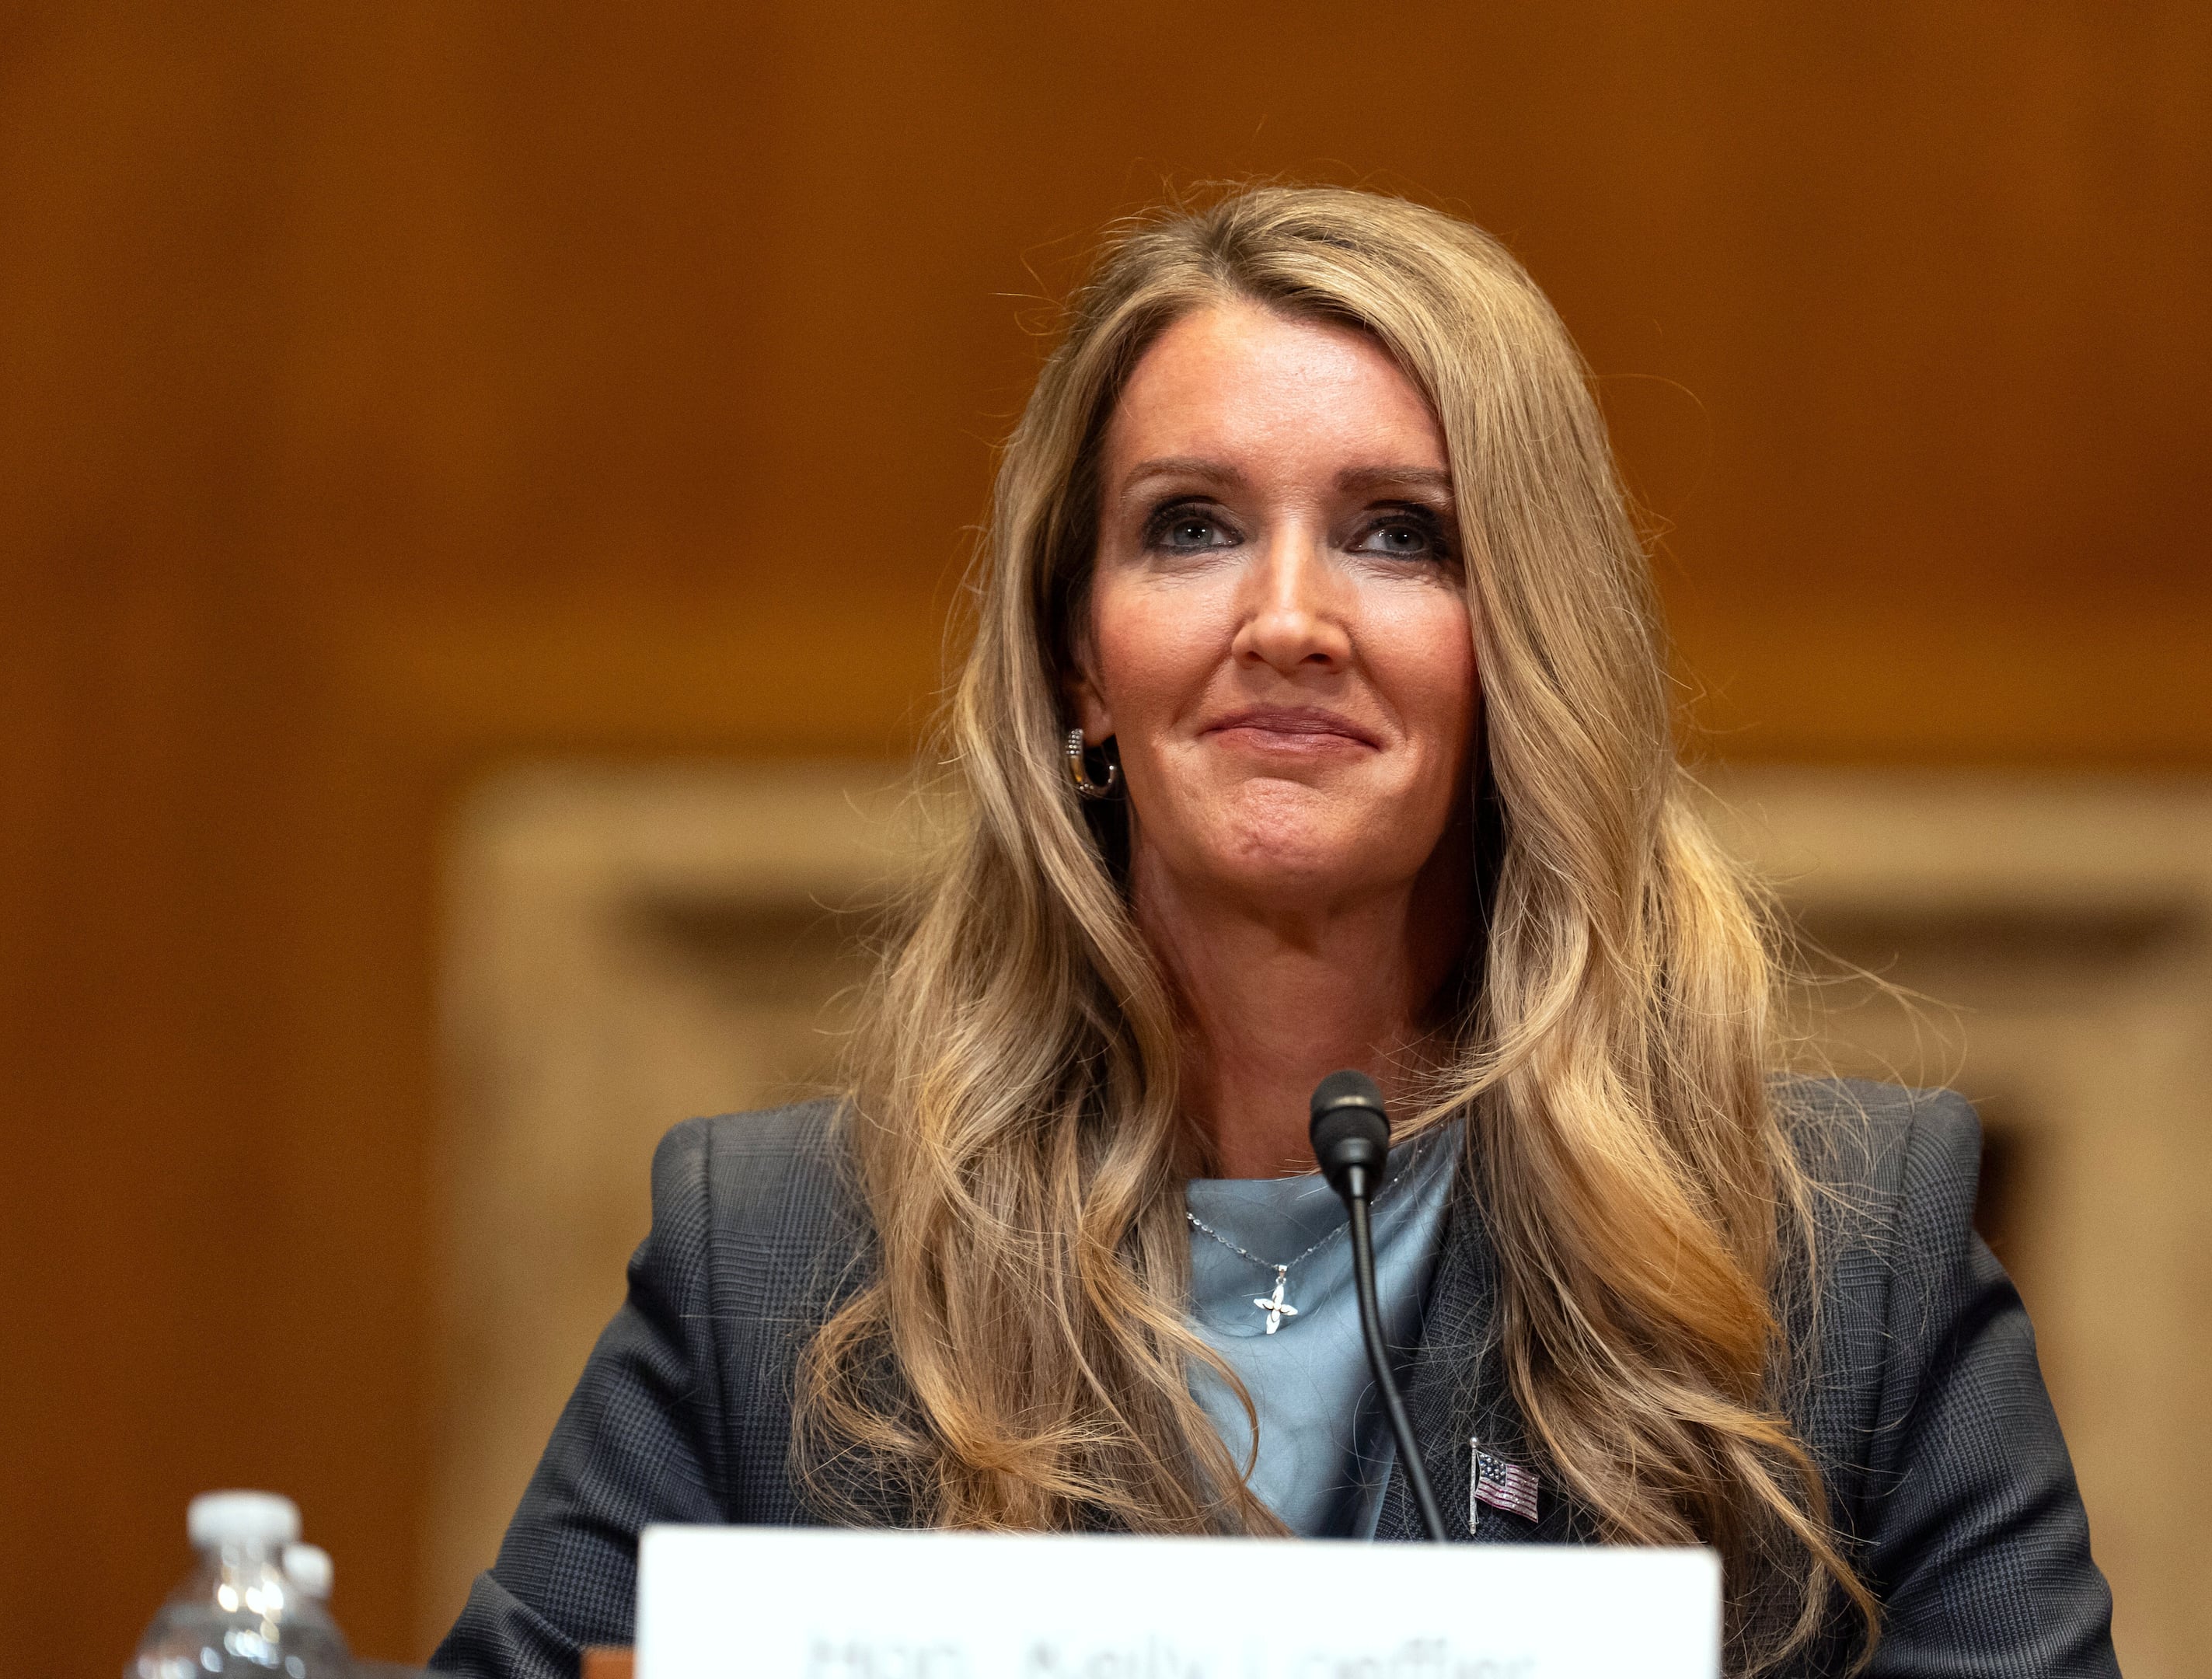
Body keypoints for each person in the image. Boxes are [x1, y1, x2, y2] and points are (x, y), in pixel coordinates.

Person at [434, 185, 2117, 1679]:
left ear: (1520, 649)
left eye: (1400, 535)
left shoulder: (1839, 1262)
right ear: (1080, 661)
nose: (1290, 620)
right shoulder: (781, 1257)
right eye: (1192, 528)